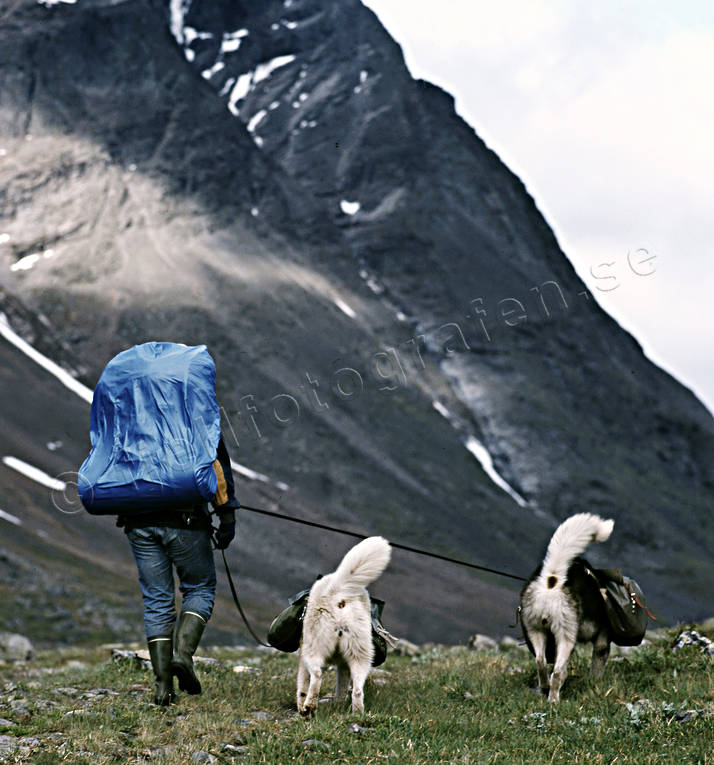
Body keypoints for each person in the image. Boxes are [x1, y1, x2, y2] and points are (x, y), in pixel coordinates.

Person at [117, 437, 239, 705]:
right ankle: (182, 655)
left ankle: (163, 688)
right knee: (200, 588)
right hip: (186, 518)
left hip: (138, 519)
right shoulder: (194, 401)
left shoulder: (130, 402)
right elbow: (216, 462)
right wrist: (227, 514)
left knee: (157, 601)